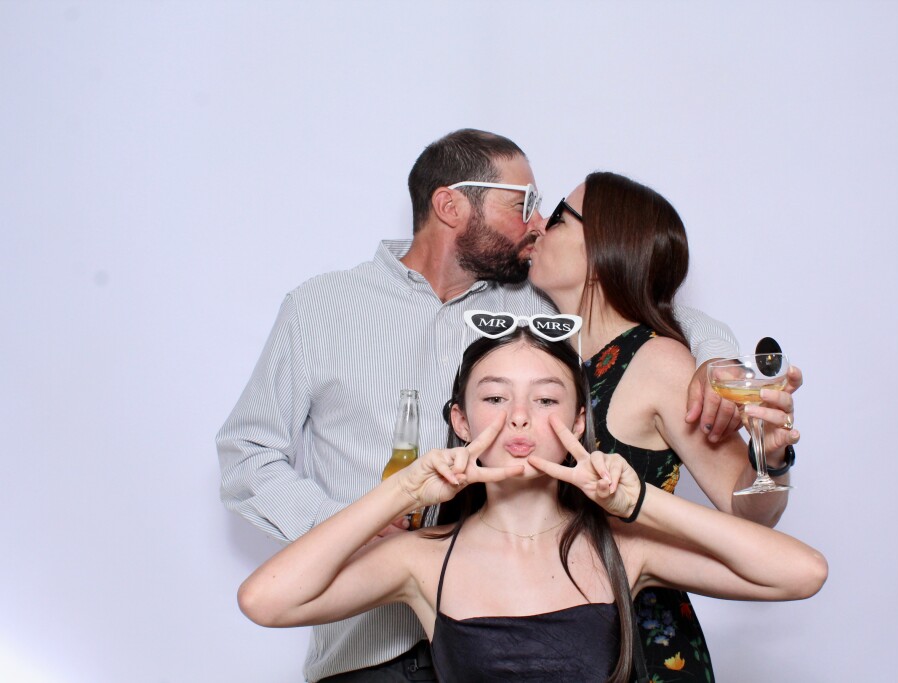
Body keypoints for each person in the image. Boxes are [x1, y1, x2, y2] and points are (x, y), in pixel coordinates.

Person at [217, 130, 744, 682]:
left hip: (498, 638)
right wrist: (350, 529)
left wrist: (717, 357)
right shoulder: (319, 308)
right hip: (365, 644)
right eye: (522, 205)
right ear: (450, 206)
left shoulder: (537, 305)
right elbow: (248, 453)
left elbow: (643, 310)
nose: (537, 224)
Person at [236, 326, 827, 683]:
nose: (519, 417)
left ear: (578, 421)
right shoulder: (422, 558)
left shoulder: (623, 549)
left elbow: (802, 573)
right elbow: (265, 601)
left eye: (546, 399)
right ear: (460, 421)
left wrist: (639, 501)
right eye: (495, 398)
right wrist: (404, 490)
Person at [528, 171, 804, 681]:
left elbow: (749, 512)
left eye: (561, 217)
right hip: (559, 639)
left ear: (603, 252)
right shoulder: (555, 357)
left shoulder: (658, 362)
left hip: (640, 647)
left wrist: (770, 456)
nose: (541, 225)